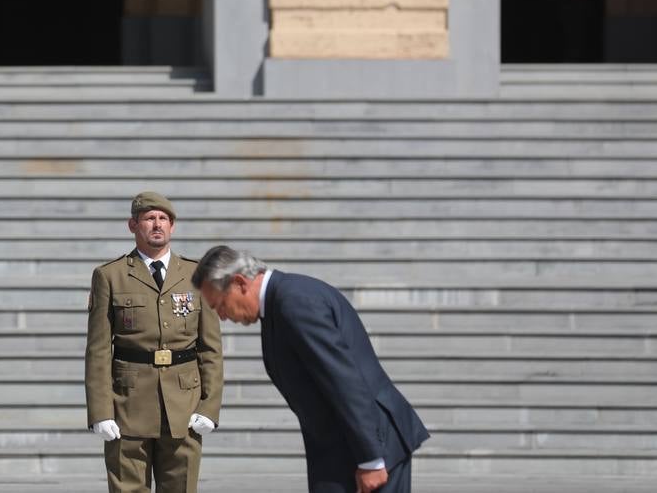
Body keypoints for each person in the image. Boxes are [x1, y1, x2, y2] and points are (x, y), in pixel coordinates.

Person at [193, 246, 429, 493]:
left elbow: (342, 378)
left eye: (220, 305)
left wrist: (371, 459)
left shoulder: (295, 302)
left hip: (370, 447)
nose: (222, 316)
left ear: (240, 283)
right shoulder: (278, 306)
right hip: (341, 451)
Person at [85, 192, 224, 493]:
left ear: (172, 226)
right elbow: (98, 351)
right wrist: (100, 411)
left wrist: (209, 406)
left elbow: (211, 348)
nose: (157, 224)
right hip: (128, 404)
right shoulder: (110, 276)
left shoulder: (196, 275)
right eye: (149, 218)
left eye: (164, 218)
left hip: (183, 405)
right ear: (133, 225)